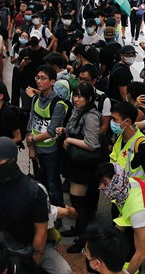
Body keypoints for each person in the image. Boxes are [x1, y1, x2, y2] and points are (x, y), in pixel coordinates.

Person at [0, 137, 72, 273]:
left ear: (12, 161)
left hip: (23, 248)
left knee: (64, 271)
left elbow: (41, 231)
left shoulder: (34, 192)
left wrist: (34, 262)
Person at [60, 83, 102, 253]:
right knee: (78, 200)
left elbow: (92, 144)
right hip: (76, 162)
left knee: (77, 201)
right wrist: (64, 131)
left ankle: (83, 239)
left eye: (80, 96)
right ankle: (79, 229)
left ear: (89, 98)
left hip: (84, 166)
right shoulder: (79, 111)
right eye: (74, 95)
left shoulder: (91, 116)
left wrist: (69, 140)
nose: (76, 99)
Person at [26, 65, 68, 207]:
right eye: (37, 78)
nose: (39, 81)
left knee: (53, 183)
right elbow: (31, 122)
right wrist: (31, 147)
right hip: (37, 149)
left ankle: (58, 212)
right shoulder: (36, 99)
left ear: (52, 81)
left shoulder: (58, 104)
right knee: (40, 182)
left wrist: (32, 140)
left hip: (51, 151)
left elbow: (51, 131)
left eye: (43, 78)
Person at [109, 102, 145, 184]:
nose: (112, 122)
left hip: (137, 194)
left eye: (115, 119)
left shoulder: (143, 146)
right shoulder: (119, 137)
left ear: (127, 122)